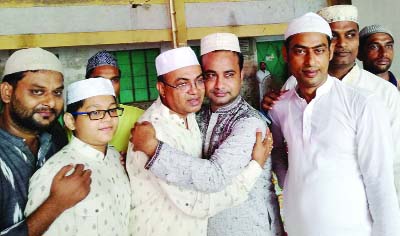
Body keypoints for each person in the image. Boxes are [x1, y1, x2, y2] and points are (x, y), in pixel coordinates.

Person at [131, 33, 283, 236]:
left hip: (249, 228)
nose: (219, 85)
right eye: (210, 75)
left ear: (240, 74)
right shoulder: (195, 116)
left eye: (228, 74)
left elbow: (214, 176)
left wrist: (153, 149)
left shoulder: (249, 123)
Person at [270, 12, 400, 235]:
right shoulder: (280, 106)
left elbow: (380, 182)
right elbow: (279, 155)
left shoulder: (363, 103)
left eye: (319, 50)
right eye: (300, 51)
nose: (310, 61)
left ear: (329, 52)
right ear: (286, 54)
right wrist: (294, 185)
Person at [0, 48, 91, 236]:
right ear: (7, 92)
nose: (51, 102)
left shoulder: (55, 136)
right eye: (37, 91)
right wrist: (56, 204)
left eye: (57, 93)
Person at [25, 77, 131, 235]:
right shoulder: (55, 172)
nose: (108, 118)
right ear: (70, 121)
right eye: (95, 112)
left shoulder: (116, 158)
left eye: (112, 110)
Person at [85, 50, 144, 152]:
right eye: (100, 80)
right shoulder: (78, 120)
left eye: (114, 80)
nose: (108, 86)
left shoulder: (139, 117)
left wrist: (132, 158)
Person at [358, 24, 400, 89]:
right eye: (374, 47)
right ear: (359, 54)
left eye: (388, 46)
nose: (384, 53)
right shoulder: (351, 89)